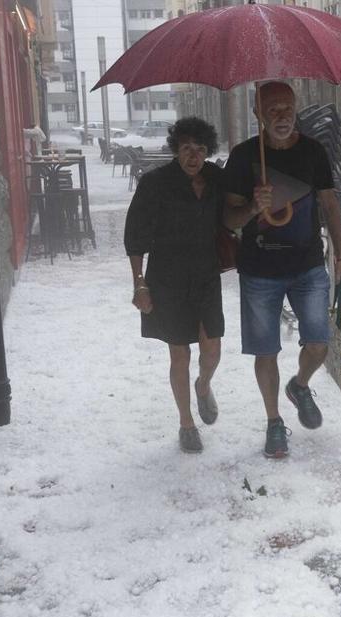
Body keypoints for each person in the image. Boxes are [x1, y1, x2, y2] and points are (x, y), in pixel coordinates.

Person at [222, 81, 341, 460]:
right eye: (272, 110)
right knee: (266, 351)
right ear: (258, 114)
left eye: (287, 108)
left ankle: (299, 385)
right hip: (259, 270)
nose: (282, 116)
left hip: (307, 265)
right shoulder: (244, 157)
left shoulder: (312, 152)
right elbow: (229, 219)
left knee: (319, 343)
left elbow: (329, 206)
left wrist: (340, 258)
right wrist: (251, 208)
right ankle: (275, 421)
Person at [125, 117, 226, 453]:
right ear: (176, 150)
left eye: (199, 149)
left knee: (212, 349)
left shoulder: (216, 179)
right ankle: (186, 423)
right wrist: (140, 284)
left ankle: (203, 385)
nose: (193, 156)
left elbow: (235, 213)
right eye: (186, 149)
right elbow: (135, 237)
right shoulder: (155, 183)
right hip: (167, 279)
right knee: (179, 353)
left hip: (206, 277)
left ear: (208, 151)